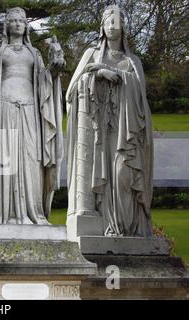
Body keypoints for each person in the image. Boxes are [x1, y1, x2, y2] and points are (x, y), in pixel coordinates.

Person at [66, 5, 154, 236]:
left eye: (117, 21)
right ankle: (106, 225)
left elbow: (142, 98)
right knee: (101, 175)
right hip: (97, 130)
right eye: (109, 21)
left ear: (124, 26)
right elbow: (71, 92)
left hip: (126, 131)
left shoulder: (132, 61)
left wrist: (111, 71)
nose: (113, 25)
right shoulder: (91, 55)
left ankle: (127, 228)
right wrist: (97, 73)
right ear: (102, 27)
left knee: (123, 173)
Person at [0, 7, 65, 224]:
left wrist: (55, 67)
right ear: (7, 25)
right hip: (5, 109)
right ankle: (5, 215)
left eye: (21, 21)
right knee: (7, 160)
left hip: (30, 110)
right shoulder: (0, 53)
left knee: (31, 158)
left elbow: (44, 82)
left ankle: (33, 212)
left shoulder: (34, 54)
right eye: (13, 20)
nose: (17, 24)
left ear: (26, 26)